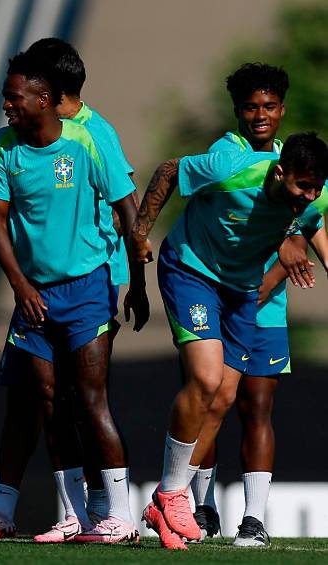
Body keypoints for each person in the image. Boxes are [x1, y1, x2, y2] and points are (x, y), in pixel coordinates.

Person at [0, 38, 145, 543]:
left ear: (47, 92)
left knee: (86, 402)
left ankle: (113, 512)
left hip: (91, 285)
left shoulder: (92, 137)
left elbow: (126, 209)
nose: (6, 103)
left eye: (15, 93)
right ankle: (54, 510)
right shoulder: (5, 145)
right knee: (38, 401)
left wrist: (136, 281)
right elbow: (7, 220)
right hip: (34, 291)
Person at [133, 132, 328, 550]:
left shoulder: (315, 199)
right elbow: (169, 171)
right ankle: (173, 494)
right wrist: (139, 233)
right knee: (205, 379)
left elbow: (307, 228)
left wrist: (295, 238)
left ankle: (165, 503)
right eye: (301, 186)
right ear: (279, 172)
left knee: (221, 398)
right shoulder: (233, 169)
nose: (308, 196)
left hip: (241, 290)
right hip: (192, 271)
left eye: (315, 188)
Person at [188, 63, 328, 547]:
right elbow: (196, 208)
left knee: (258, 405)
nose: (261, 115)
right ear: (238, 111)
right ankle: (199, 507)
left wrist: (291, 251)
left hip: (264, 303)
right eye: (252, 107)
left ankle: (253, 519)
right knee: (210, 401)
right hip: (221, 293)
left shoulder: (302, 167)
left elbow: (313, 222)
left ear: (282, 110)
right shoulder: (227, 157)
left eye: (269, 106)